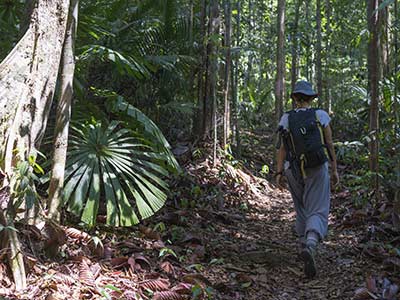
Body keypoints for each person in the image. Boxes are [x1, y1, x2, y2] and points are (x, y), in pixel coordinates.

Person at [275, 80, 339, 279]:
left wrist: (278, 172)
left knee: (301, 204)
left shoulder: (286, 118)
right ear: (311, 98)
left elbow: (282, 148)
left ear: (295, 98)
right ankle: (311, 243)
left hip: (292, 168)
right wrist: (334, 169)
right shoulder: (320, 115)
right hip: (317, 166)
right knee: (318, 206)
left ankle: (303, 242)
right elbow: (328, 143)